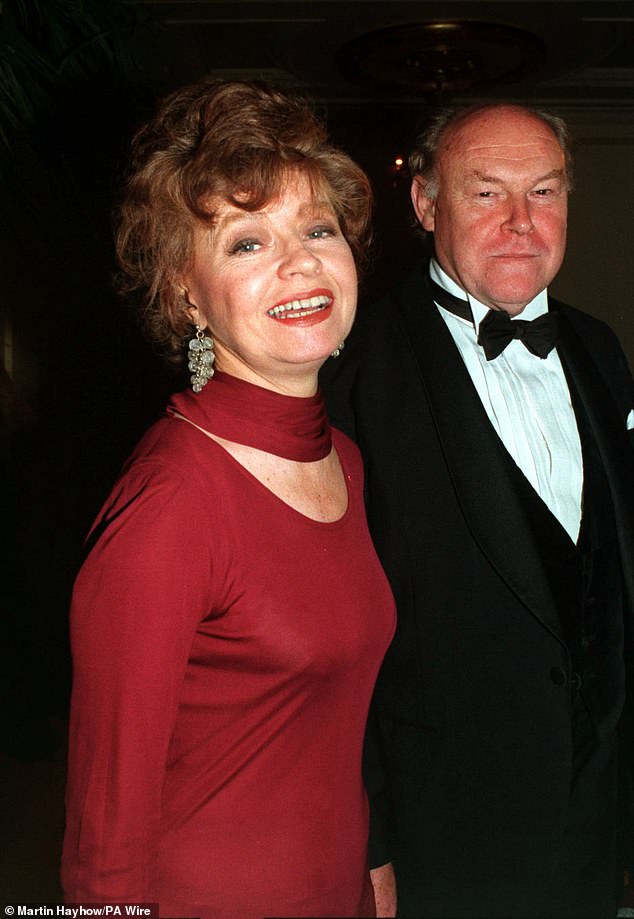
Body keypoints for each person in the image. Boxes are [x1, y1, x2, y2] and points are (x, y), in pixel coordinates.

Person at [61, 78, 396, 918]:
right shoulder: (172, 504)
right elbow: (102, 845)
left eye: (317, 228)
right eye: (247, 242)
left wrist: (371, 864)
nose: (301, 262)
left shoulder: (348, 461)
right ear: (186, 293)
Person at [322, 103, 634, 918]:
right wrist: (371, 840)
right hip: (447, 833)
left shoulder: (601, 350)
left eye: (545, 191)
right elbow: (331, 640)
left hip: (596, 823)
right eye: (487, 193)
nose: (522, 222)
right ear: (426, 204)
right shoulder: (353, 371)